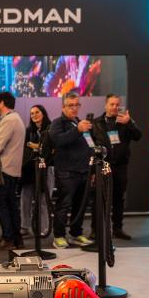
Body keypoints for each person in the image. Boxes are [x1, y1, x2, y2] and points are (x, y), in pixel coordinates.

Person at [93, 94, 141, 239]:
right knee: (100, 199)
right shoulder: (96, 123)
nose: (115, 107)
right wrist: (93, 170)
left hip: (120, 166)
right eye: (112, 104)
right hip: (102, 166)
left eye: (117, 104)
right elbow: (91, 147)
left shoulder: (125, 121)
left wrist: (130, 123)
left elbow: (138, 136)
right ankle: (96, 230)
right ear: (106, 105)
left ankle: (117, 229)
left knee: (119, 199)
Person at [49, 93, 93, 248]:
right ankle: (59, 236)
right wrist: (78, 130)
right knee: (64, 205)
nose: (74, 108)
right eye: (70, 105)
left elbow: (89, 145)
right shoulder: (57, 123)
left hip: (83, 171)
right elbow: (58, 141)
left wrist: (91, 169)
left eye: (77, 105)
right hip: (66, 172)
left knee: (80, 206)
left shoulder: (79, 123)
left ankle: (76, 234)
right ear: (63, 107)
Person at [0, 92, 26, 251]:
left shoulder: (9, 120)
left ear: (2, 103)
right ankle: (17, 238)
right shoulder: (16, 119)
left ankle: (8, 237)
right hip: (12, 169)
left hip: (4, 169)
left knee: (0, 204)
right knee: (11, 205)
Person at [20, 104, 53, 238]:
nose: (34, 115)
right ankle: (24, 226)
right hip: (29, 169)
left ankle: (44, 228)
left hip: (46, 168)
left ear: (43, 113)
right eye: (32, 113)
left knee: (44, 200)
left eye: (37, 112)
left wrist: (34, 146)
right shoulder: (28, 130)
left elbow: (51, 149)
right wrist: (39, 147)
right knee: (25, 198)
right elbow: (25, 146)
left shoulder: (51, 128)